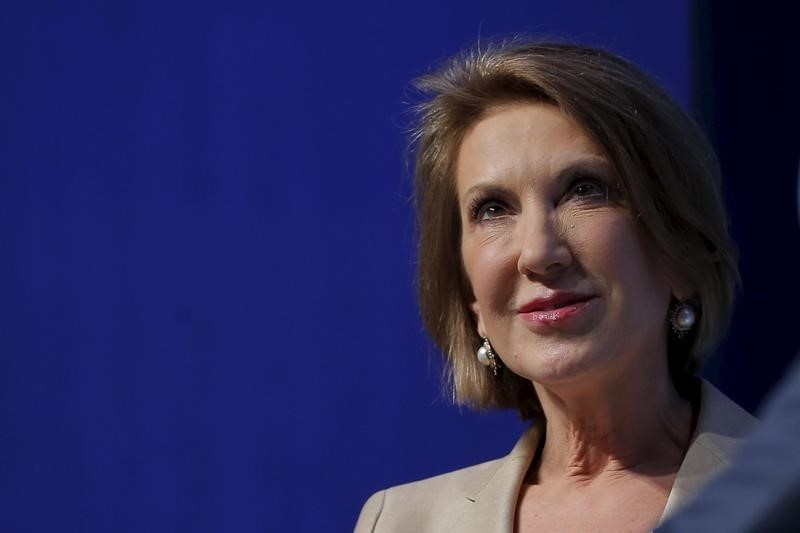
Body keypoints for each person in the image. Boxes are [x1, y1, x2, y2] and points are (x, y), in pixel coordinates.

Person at [355, 40, 755, 532]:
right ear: (471, 298)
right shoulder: (401, 522)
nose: (539, 253)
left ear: (679, 251)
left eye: (584, 190)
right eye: (493, 210)